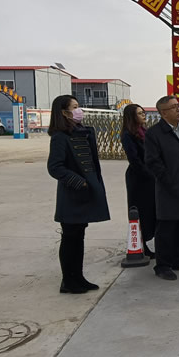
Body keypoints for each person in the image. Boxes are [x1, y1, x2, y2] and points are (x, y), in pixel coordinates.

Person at [47, 95, 110, 293]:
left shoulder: (82, 132)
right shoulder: (60, 136)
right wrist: (79, 182)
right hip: (72, 195)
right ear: (64, 112)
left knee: (79, 236)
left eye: (78, 106)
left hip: (86, 192)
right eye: (74, 107)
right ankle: (68, 281)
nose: (78, 110)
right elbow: (55, 167)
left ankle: (79, 277)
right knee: (70, 237)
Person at [144, 96, 179, 281]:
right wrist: (169, 181)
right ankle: (163, 265)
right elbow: (153, 162)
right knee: (166, 228)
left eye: (178, 106)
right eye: (174, 107)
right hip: (168, 189)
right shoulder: (154, 134)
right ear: (163, 113)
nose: (178, 109)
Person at [120, 104, 156, 258]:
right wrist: (148, 173)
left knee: (151, 210)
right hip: (138, 178)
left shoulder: (144, 132)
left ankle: (149, 240)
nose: (143, 115)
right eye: (140, 113)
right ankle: (141, 245)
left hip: (150, 176)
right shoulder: (128, 135)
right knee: (140, 211)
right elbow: (134, 159)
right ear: (132, 117)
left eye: (143, 112)